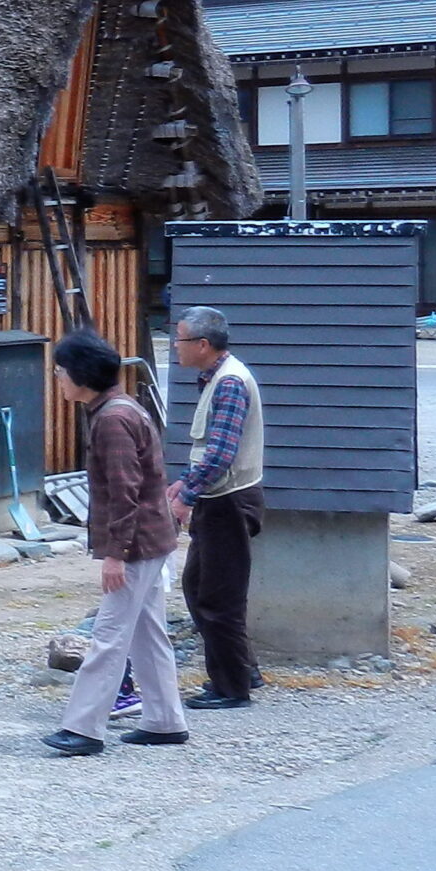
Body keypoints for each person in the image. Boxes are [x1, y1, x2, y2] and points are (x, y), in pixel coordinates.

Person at [43, 329, 188, 756]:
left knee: (109, 634)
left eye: (61, 372)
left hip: (137, 544)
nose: (59, 379)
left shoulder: (111, 419)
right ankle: (164, 720)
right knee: (148, 633)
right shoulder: (120, 409)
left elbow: (125, 490)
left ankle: (84, 728)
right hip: (151, 538)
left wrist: (115, 555)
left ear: (81, 375)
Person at [168, 304, 265, 710]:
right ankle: (243, 669)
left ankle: (232, 687)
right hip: (219, 497)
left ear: (203, 345)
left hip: (227, 499)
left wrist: (184, 497)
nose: (175, 346)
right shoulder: (217, 377)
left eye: (180, 340)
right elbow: (211, 451)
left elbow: (221, 453)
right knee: (197, 586)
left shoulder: (228, 383)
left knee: (219, 597)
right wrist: (187, 484)